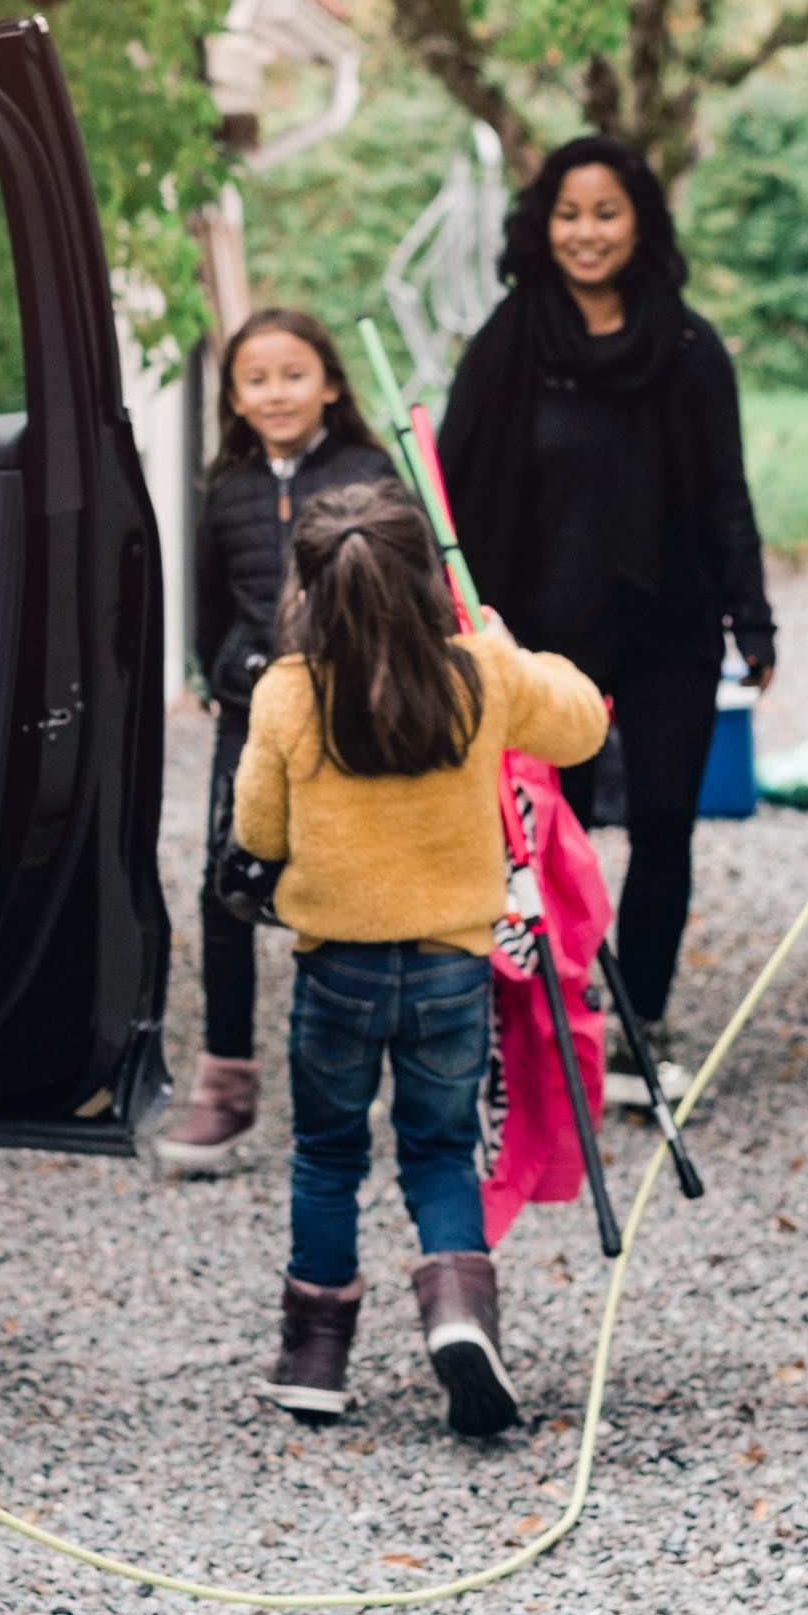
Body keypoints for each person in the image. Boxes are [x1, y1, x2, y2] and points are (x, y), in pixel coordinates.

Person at [231, 483, 605, 1436]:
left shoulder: (286, 693)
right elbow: (582, 724)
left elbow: (257, 828)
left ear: (310, 586)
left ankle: (315, 1355)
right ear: (428, 582)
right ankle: (458, 1318)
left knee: (327, 1154)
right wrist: (506, 645)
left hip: (336, 970)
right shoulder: (480, 674)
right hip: (450, 967)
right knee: (439, 1151)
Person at [435, 135, 773, 1091]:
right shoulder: (509, 343)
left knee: (667, 821)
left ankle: (643, 1022)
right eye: (570, 213)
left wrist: (754, 620)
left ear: (641, 224)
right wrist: (455, 620)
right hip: (544, 636)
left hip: (670, 621)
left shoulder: (691, 346)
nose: (587, 232)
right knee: (557, 830)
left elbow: (724, 493)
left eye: (607, 212)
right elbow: (453, 490)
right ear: (545, 224)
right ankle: (568, 1012)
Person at [157, 310, 396, 1176]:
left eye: (293, 374)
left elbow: (404, 595)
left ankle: (344, 1075)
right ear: (233, 397)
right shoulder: (226, 488)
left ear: (329, 382)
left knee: (339, 892)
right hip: (250, 718)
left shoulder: (371, 474)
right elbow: (211, 601)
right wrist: (217, 671)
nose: (276, 392)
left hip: (349, 719)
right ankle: (226, 1087)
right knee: (229, 887)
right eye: (255, 379)